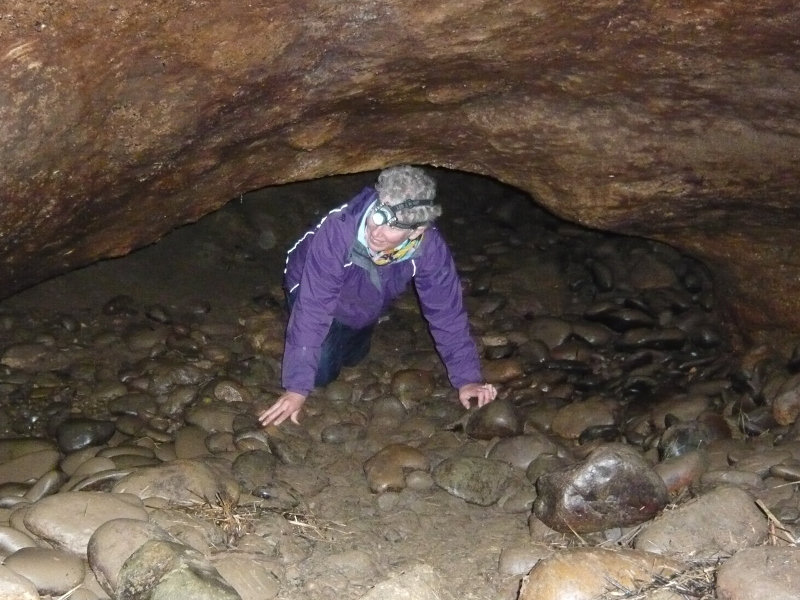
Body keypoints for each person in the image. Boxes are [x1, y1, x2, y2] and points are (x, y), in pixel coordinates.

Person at [258, 165, 498, 427]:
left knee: (353, 349)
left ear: (417, 231)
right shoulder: (339, 229)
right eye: (379, 214)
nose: (377, 231)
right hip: (309, 283)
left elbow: (447, 313)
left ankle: (356, 332)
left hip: (368, 296)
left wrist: (467, 379)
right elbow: (314, 307)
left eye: (394, 226)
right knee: (320, 372)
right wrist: (296, 388)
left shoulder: (429, 248)